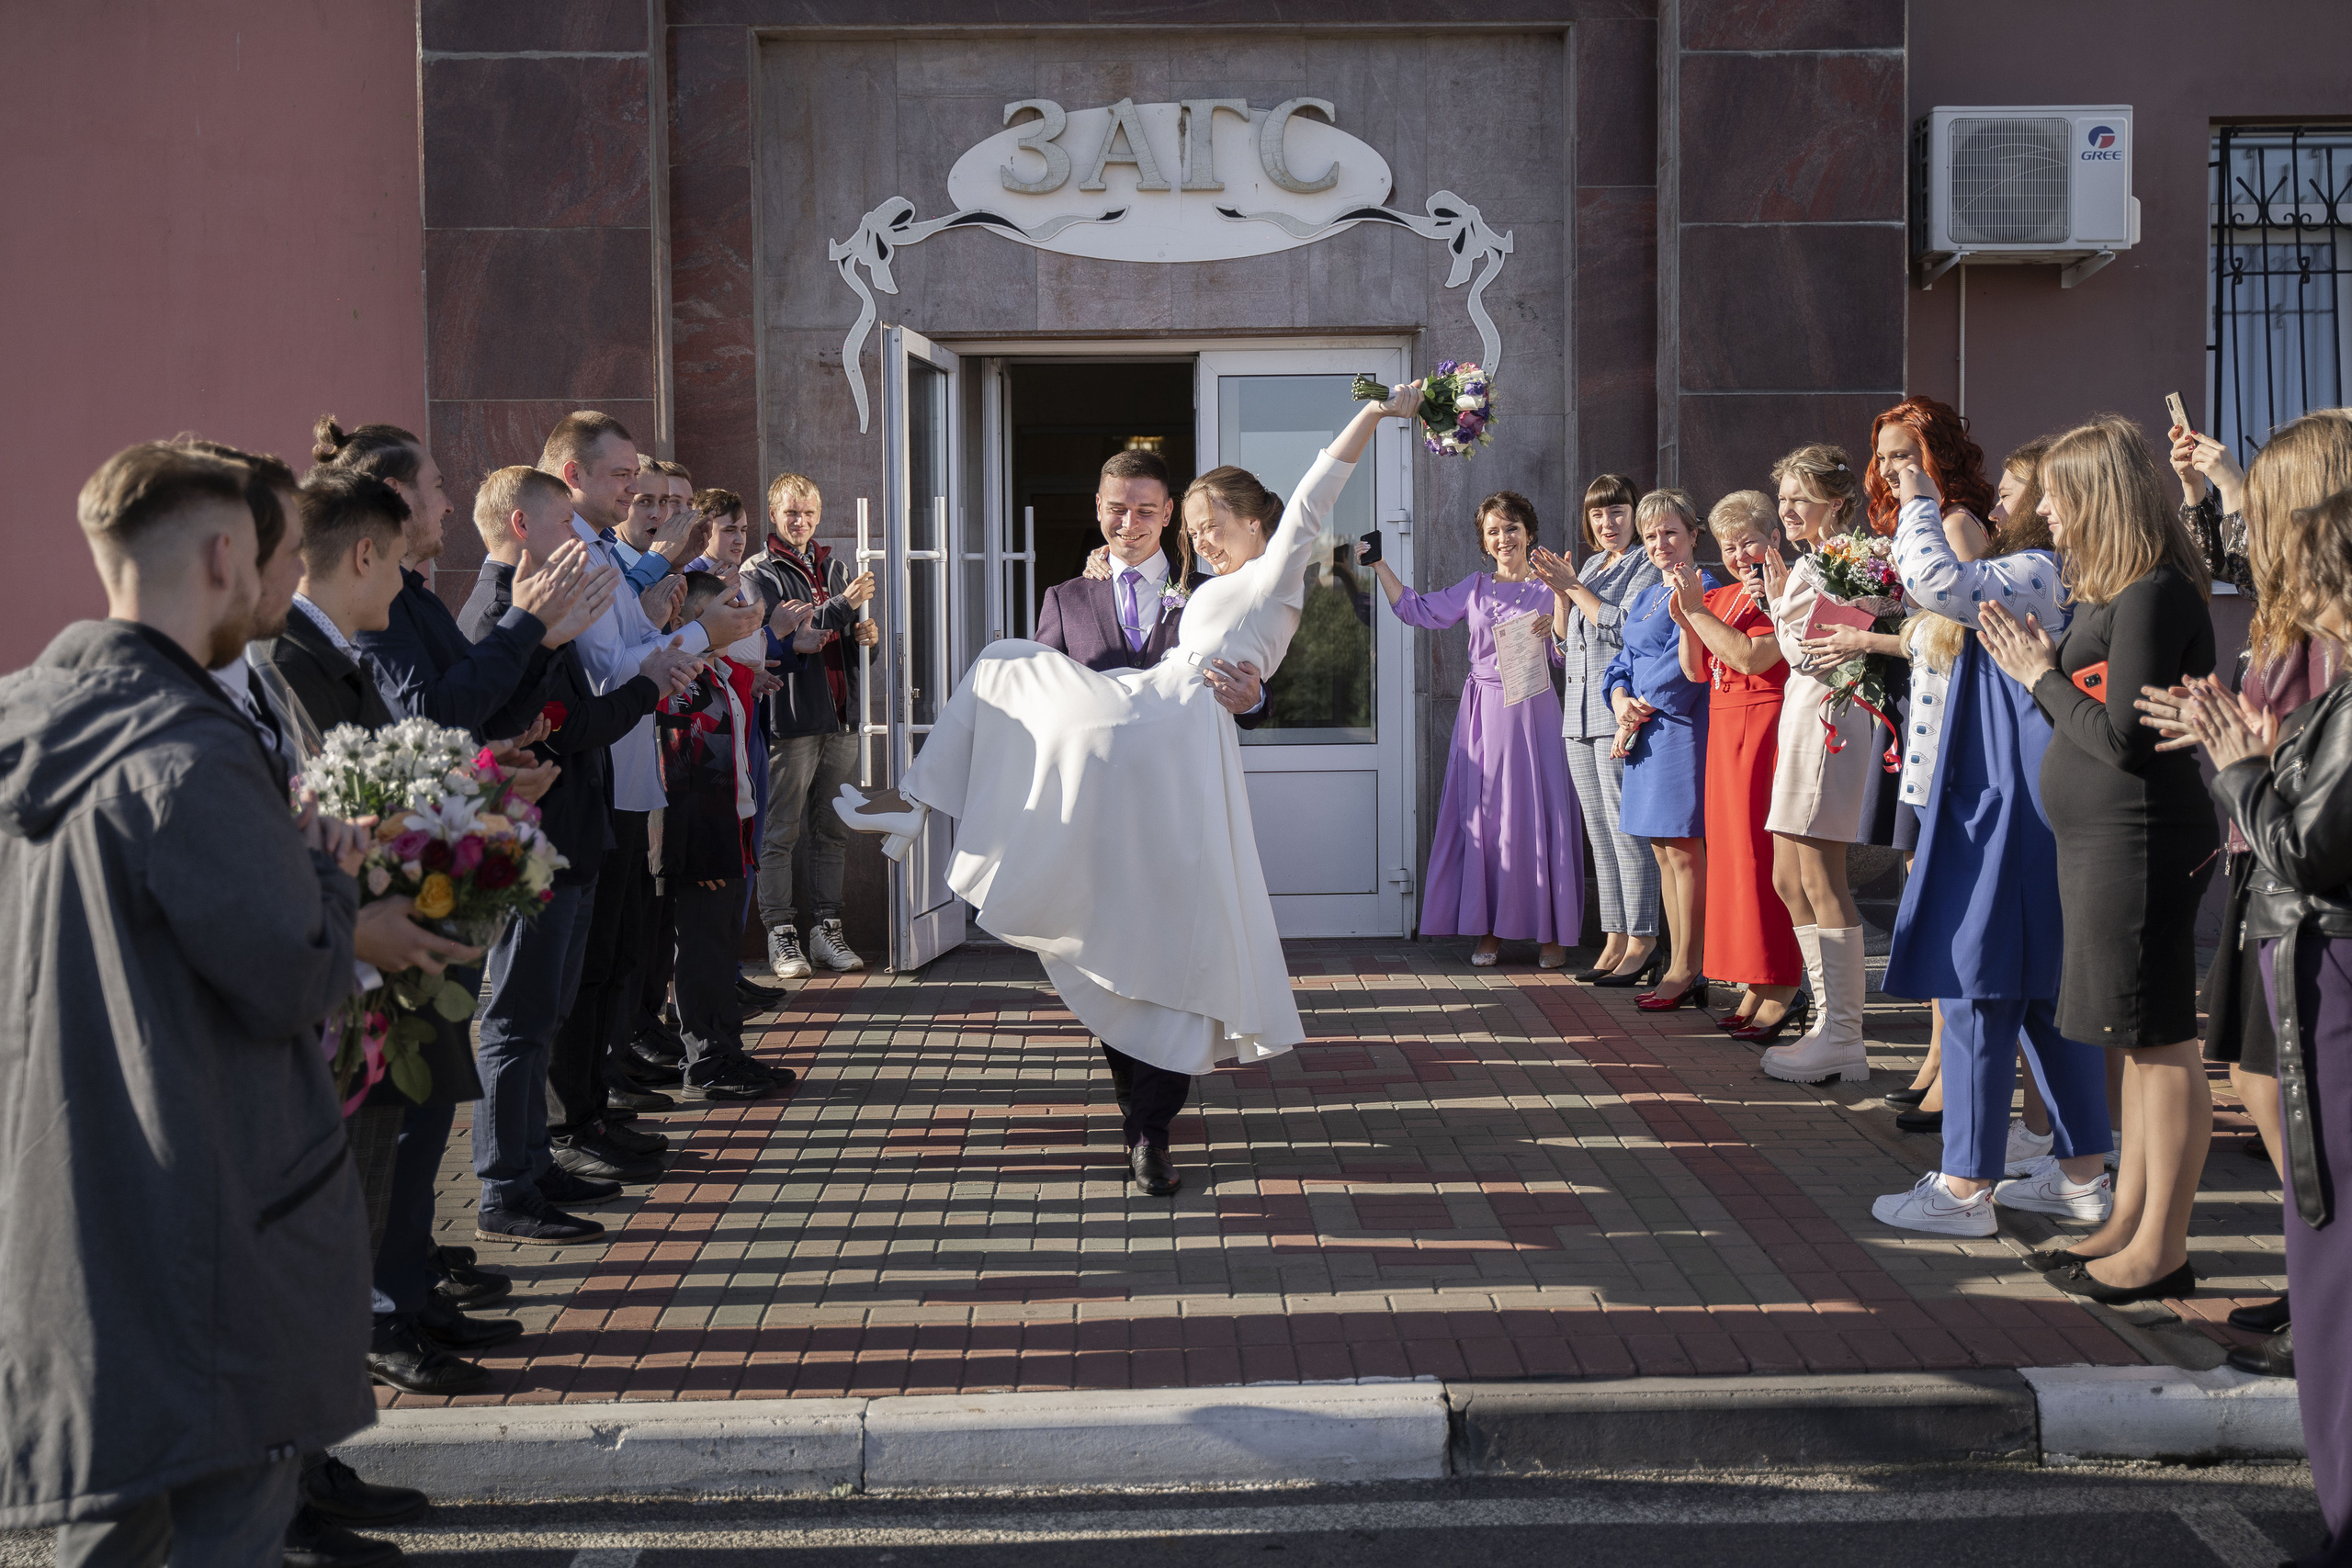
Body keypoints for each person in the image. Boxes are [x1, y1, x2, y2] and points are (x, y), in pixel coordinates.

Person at [831, 383, 1425, 1197]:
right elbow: (1038, 714)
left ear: (1259, 523)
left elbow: (1317, 493)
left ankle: (1152, 1129)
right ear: (1101, 510)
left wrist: (1375, 414)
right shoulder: (1094, 593)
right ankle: (916, 805)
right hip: (1115, 770)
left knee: (1173, 950)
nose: (1201, 540)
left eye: (1209, 524)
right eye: (1196, 530)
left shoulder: (1268, 573)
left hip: (1174, 769)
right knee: (1010, 671)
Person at [0, 443, 391, 1564]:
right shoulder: (186, 751)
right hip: (210, 1207)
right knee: (223, 1525)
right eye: (273, 557)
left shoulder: (21, 715)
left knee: (113, 1521)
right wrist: (328, 870)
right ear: (225, 556)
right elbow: (293, 975)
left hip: (65, 1203)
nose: (276, 584)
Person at [1978, 414, 2219, 1304]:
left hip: (2141, 839)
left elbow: (2124, 739)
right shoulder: (2124, 590)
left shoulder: (2154, 593)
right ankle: (2127, 1224)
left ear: (2098, 497)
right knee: (2136, 1040)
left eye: (2057, 498)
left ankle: (2160, 1247)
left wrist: (2038, 674)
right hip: (2105, 842)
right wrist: (2049, 672)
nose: (2047, 515)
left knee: (2161, 1042)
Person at [2142, 407, 2352, 1368]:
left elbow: (2314, 813)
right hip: (2262, 858)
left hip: (2302, 886)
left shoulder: (2332, 628)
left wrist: (2241, 757)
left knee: (2288, 1093)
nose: (2253, 516)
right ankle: (2315, 1273)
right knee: (2259, 1077)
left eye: (2269, 495)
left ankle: (2324, 1285)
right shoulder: (2298, 601)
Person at [1868, 455, 2115, 1237]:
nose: (1994, 508)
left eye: (2010, 494)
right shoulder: (2053, 570)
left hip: (2006, 806)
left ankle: (1965, 1185)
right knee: (2043, 993)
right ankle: (2083, 1175)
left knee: (1976, 983)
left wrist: (1917, 499)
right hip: (2021, 798)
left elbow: (1935, 580)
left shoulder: (2039, 569)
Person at [458, 466, 699, 1246]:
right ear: (522, 526)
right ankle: (505, 1184)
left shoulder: (539, 612)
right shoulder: (500, 615)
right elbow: (571, 723)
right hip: (531, 844)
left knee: (545, 1013)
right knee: (517, 1020)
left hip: (568, 834)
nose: (580, 540)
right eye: (565, 523)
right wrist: (649, 682)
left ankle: (534, 1161)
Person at [2179, 480, 2352, 1566]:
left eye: (2314, 576)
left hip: (2333, 972)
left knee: (2331, 1254)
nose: (2300, 597)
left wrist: (2241, 764)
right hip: (2322, 963)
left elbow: (2305, 849)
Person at [537, 412, 762, 1185]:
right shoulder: (573, 557)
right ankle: (571, 1120)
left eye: (642, 479)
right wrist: (701, 637)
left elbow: (634, 650)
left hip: (626, 777)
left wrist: (693, 633)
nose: (638, 494)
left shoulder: (599, 551)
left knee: (612, 956)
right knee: (584, 969)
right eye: (624, 478)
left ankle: (594, 1105)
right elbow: (612, 672)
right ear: (573, 476)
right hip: (597, 774)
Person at [1366, 490, 1583, 968]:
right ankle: (1489, 930)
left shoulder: (1552, 586)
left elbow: (1564, 655)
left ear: (1529, 533)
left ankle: (1553, 933)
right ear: (1484, 543)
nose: (1504, 538)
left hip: (1535, 709)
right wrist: (1380, 564)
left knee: (1540, 813)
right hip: (1484, 711)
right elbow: (1416, 610)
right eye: (1493, 531)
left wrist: (1562, 601)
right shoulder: (1475, 587)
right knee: (1487, 817)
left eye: (1512, 528)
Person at [312, 415, 593, 739]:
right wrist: (523, 622)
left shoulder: (421, 600)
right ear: (396, 495)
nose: (448, 506)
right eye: (437, 486)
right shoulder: (368, 602)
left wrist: (545, 643)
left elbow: (493, 719)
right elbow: (430, 718)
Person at [1755, 445, 1893, 1083]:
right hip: (1804, 713)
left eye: (1800, 498)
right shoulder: (1818, 561)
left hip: (1830, 720)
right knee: (1788, 875)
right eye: (1783, 498)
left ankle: (1844, 1035)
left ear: (1835, 503)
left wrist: (1779, 603)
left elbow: (1811, 651)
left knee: (1819, 875)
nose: (1786, 510)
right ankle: (1826, 1020)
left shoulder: (1849, 559)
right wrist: (1781, 598)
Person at [658, 571, 796, 1101]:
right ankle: (705, 1062)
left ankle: (727, 1050)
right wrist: (700, 852)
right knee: (700, 952)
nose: (740, 614)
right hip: (703, 839)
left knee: (720, 951)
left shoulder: (717, 671)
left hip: (731, 826)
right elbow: (679, 772)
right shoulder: (681, 679)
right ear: (696, 617)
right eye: (728, 605)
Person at [1668, 491, 1801, 1037]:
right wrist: (1688, 618)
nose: (1739, 555)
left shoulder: (1783, 592)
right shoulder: (1718, 595)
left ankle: (1783, 983)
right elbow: (1695, 671)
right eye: (1728, 546)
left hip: (1766, 725)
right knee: (1732, 860)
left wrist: (1697, 613)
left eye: (1748, 542)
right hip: (1724, 728)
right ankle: (1754, 977)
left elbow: (1751, 657)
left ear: (1774, 539)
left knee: (1762, 856)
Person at [741, 471, 878, 980]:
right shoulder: (759, 572)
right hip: (793, 718)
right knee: (780, 831)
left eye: (808, 513)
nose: (800, 521)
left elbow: (845, 642)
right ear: (773, 515)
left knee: (832, 830)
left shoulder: (835, 566)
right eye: (791, 513)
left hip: (841, 717)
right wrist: (845, 606)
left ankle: (826, 928)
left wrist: (866, 638)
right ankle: (780, 931)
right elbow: (788, 637)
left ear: (819, 516)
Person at [1530, 475, 1662, 985]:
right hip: (1578, 716)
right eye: (1598, 514)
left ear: (1635, 515)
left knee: (1627, 831)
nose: (1608, 523)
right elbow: (1566, 649)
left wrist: (1573, 588)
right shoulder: (1588, 566)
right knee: (1600, 836)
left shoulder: (1645, 564)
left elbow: (1626, 626)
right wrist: (1561, 597)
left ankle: (1643, 939)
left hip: (1618, 716)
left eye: (1618, 511)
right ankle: (1614, 936)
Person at [1600, 489, 1715, 1009]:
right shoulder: (1647, 594)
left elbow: (1685, 666)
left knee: (1685, 852)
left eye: (1671, 532)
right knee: (1662, 852)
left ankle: (1690, 967)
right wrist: (1619, 699)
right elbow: (1622, 658)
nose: (1660, 543)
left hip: (1680, 729)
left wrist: (1638, 707)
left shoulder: (1707, 588)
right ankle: (1677, 962)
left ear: (1693, 535)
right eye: (1650, 535)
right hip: (1644, 731)